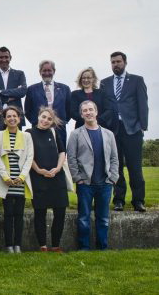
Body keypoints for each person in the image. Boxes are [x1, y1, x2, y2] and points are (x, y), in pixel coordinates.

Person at [100, 51, 149, 212]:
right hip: (113, 130)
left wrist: (143, 126)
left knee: (135, 167)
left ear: (125, 62)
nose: (115, 64)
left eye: (118, 61)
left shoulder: (137, 80)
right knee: (116, 167)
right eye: (113, 62)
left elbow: (143, 104)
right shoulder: (105, 83)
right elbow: (104, 106)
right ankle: (119, 200)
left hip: (133, 129)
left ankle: (138, 201)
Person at [67, 100, 119, 251]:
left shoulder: (109, 134)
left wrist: (113, 178)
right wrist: (78, 179)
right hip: (85, 184)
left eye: (91, 109)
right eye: (85, 111)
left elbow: (114, 158)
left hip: (105, 183)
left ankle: (102, 247)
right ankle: (84, 247)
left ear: (96, 112)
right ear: (81, 114)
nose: (88, 112)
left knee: (103, 219)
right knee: (83, 218)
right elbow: (71, 158)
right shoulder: (75, 134)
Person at [27, 107, 70, 252]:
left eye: (49, 119)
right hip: (38, 177)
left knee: (60, 212)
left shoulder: (54, 132)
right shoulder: (28, 133)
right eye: (44, 117)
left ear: (52, 122)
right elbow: (28, 155)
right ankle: (43, 246)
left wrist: (57, 168)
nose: (45, 121)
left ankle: (56, 245)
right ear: (38, 116)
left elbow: (62, 152)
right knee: (40, 213)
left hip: (57, 177)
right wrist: (38, 170)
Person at [0, 106, 34, 253]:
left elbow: (29, 157)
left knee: (19, 214)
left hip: (21, 181)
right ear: (4, 120)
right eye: (8, 116)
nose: (12, 118)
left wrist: (22, 176)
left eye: (14, 116)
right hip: (6, 181)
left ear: (19, 118)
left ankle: (18, 245)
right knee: (8, 214)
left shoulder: (26, 136)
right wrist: (5, 177)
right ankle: (9, 245)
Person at [24, 60, 72, 144]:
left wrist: (60, 121)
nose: (47, 73)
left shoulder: (65, 89)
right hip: (38, 129)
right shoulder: (32, 89)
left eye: (49, 70)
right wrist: (37, 122)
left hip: (59, 129)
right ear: (40, 72)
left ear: (54, 71)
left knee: (60, 151)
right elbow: (27, 111)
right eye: (44, 70)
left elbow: (69, 109)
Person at [0, 46, 27, 128]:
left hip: (16, 117)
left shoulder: (19, 74)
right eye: (1, 57)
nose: (4, 60)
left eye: (6, 57)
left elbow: (22, 91)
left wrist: (0, 92)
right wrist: (13, 94)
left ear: (10, 58)